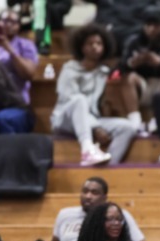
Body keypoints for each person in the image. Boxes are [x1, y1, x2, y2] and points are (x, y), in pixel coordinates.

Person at [51, 24, 133, 168]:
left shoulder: (103, 72)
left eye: (99, 43)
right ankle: (87, 149)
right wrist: (95, 127)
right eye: (90, 43)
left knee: (128, 127)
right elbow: (69, 100)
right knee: (79, 99)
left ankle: (109, 166)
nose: (95, 47)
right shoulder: (69, 69)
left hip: (91, 120)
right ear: (81, 47)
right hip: (65, 119)